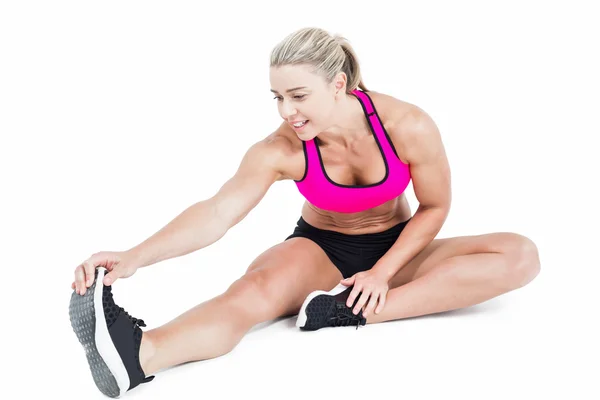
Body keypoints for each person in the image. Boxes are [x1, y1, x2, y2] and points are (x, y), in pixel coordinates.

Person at [69, 27, 541, 398]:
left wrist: (381, 273)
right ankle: (141, 356)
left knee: (521, 255)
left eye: (298, 95)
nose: (285, 111)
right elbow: (217, 213)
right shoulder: (281, 149)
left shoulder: (406, 125)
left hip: (399, 249)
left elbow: (436, 207)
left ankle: (344, 311)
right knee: (252, 292)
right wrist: (134, 257)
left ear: (338, 84)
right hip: (321, 250)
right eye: (277, 97)